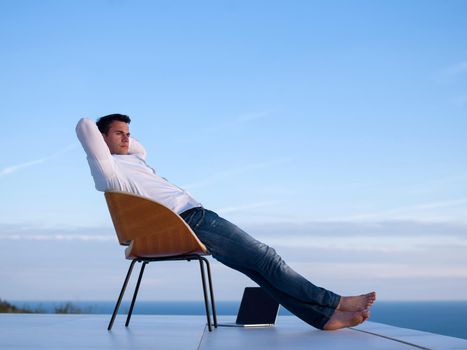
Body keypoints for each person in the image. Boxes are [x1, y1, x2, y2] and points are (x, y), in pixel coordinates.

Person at [76, 114, 376, 330]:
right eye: (119, 133)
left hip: (190, 220)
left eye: (129, 132)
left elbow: (141, 149)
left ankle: (321, 319)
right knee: (267, 258)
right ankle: (335, 302)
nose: (128, 138)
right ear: (101, 141)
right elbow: (85, 125)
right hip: (190, 220)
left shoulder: (132, 160)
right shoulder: (108, 169)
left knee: (257, 269)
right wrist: (105, 136)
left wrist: (121, 134)